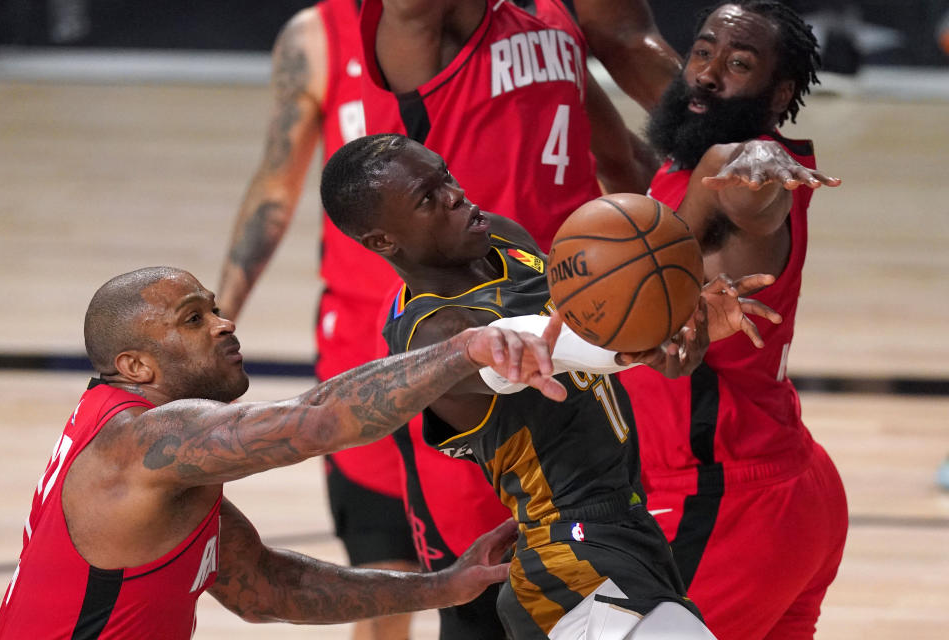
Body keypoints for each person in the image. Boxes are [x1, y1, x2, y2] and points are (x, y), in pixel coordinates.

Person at [319, 133, 782, 638]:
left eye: (445, 175)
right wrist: (642, 339)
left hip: (628, 527)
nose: (455, 194)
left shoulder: (502, 239)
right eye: (427, 199)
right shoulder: (428, 337)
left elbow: (596, 330)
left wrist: (673, 338)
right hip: (568, 557)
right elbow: (534, 345)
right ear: (383, 241)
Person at [0, 265, 567, 639]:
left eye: (214, 308)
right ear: (136, 367)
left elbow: (262, 587)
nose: (224, 324)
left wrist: (441, 587)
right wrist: (464, 349)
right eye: (194, 319)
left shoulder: (146, 454)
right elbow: (317, 421)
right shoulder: (145, 442)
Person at [357, 1, 677, 633]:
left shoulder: (555, 18)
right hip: (471, 361)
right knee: (477, 602)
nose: (453, 193)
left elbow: (627, 162)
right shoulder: (430, 25)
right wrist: (632, 331)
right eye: (433, 191)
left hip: (572, 321)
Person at [617, 2, 848, 639]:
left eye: (738, 64)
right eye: (702, 52)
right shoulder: (683, 162)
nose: (708, 74)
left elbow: (753, 192)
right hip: (782, 482)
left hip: (719, 499)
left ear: (778, 94)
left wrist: (747, 162)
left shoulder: (747, 169)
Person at [214, 3, 422, 637]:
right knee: (386, 574)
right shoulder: (317, 36)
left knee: (501, 572)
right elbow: (275, 187)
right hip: (365, 341)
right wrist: (217, 320)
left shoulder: (500, 29)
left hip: (481, 326)